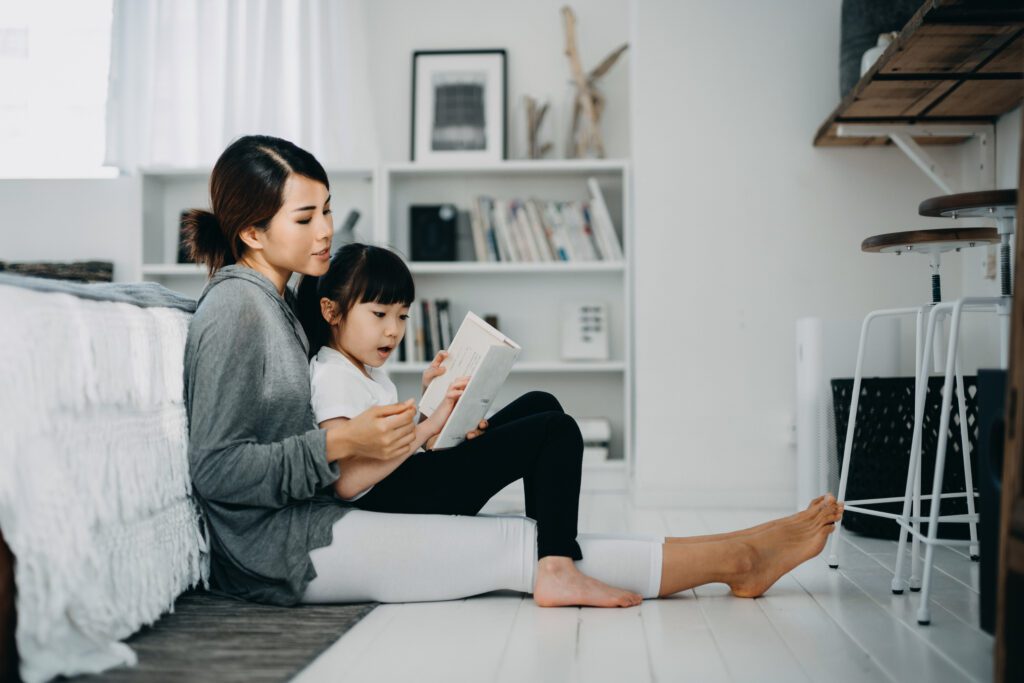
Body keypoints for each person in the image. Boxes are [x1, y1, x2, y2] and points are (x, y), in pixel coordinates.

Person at [182, 134, 843, 609]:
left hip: (317, 511)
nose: (327, 229)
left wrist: (424, 415)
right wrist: (340, 444)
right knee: (512, 543)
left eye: (327, 208)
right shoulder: (237, 310)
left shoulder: (275, 303)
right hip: (281, 548)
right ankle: (735, 557)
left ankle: (726, 557)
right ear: (253, 234)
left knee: (536, 442)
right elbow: (214, 471)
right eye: (307, 216)